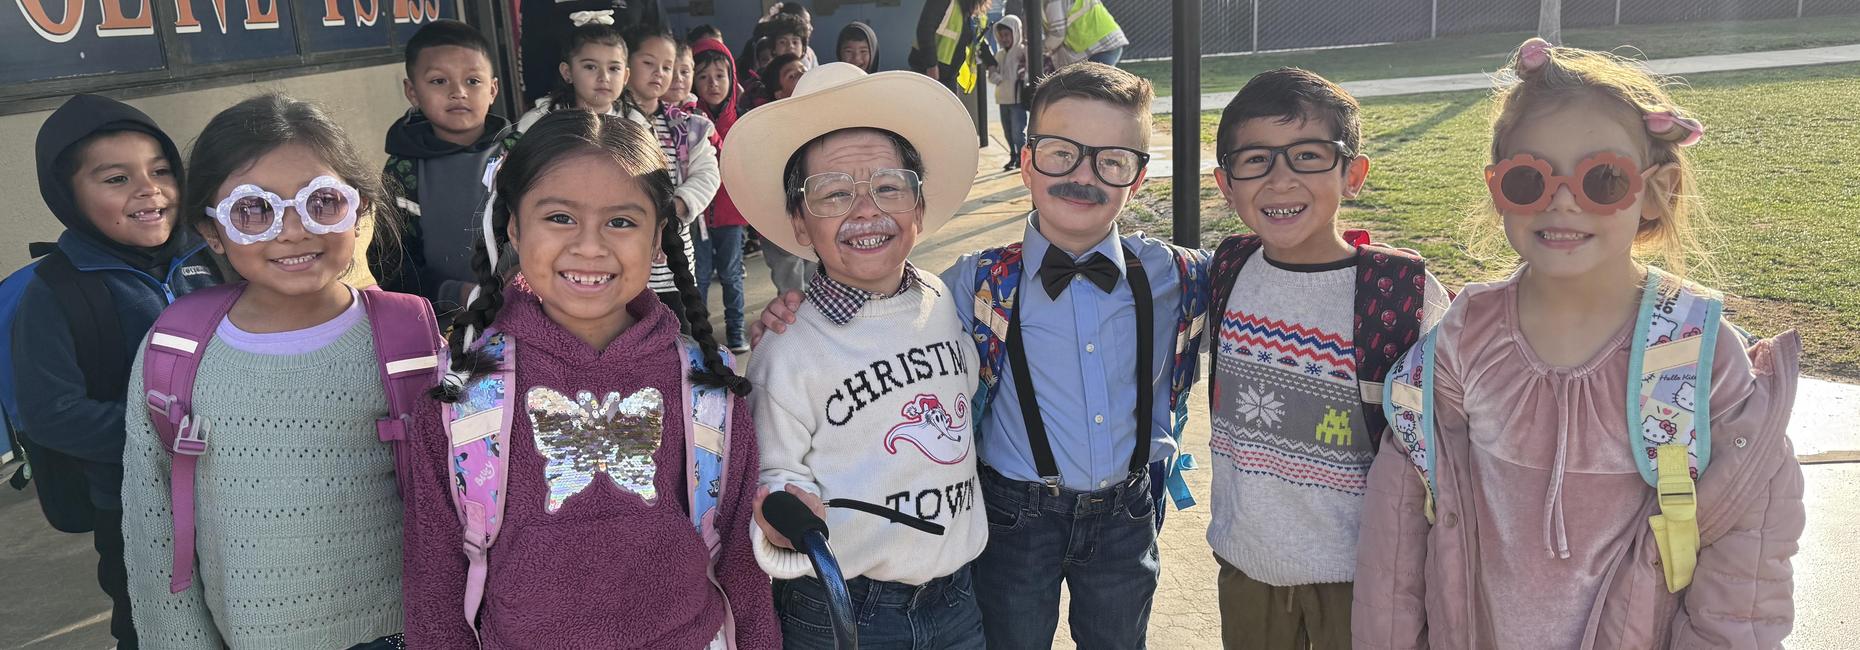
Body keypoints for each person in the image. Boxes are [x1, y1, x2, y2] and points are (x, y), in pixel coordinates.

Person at [1353, 38, 1805, 648]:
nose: (1562, 200)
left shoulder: (1695, 352)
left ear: (1658, 190)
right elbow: (1399, 526)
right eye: (1528, 180)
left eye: (1603, 179)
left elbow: (1745, 566)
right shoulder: (1464, 337)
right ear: (1496, 189)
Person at [754, 62, 1216, 650]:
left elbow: (1263, 282)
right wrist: (787, 316)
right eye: (1060, 153)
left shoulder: (1177, 276)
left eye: (1113, 161)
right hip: (1013, 518)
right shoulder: (970, 286)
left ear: (1140, 176)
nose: (1083, 174)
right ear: (1026, 162)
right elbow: (869, 312)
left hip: (1125, 513)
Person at [400, 109, 779, 648]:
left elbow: (741, 556)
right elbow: (434, 578)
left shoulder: (707, 383)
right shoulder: (464, 390)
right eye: (560, 217)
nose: (590, 246)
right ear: (513, 227)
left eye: (621, 222)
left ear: (658, 239)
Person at [122, 93, 418, 648]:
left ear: (359, 211)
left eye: (322, 201)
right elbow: (151, 520)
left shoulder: (410, 340)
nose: (292, 230)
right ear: (212, 231)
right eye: (253, 210)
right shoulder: (176, 350)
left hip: (403, 629)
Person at [723, 62, 987, 649]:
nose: (866, 210)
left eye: (889, 187)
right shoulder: (787, 348)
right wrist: (785, 519)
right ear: (799, 223)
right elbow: (775, 478)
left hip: (958, 596)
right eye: (834, 193)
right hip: (846, 606)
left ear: (919, 206)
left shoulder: (942, 299)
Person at [1202, 68, 1450, 650]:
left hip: (1364, 574)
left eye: (1308, 155)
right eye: (1255, 159)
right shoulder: (1229, 270)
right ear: (1226, 184)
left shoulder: (1402, 294)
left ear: (1353, 174)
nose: (1281, 179)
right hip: (1247, 562)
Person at [13, 94, 222, 650]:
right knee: (153, 627)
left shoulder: (215, 257)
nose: (149, 190)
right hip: (132, 506)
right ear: (68, 195)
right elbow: (52, 413)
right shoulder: (55, 293)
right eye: (116, 179)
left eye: (161, 171)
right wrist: (172, 438)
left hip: (235, 489)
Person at [377, 19, 510, 322]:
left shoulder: (520, 153)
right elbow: (390, 263)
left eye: (472, 81)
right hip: (443, 323)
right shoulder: (403, 170)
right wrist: (453, 293)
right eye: (439, 81)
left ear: (492, 90)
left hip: (528, 308)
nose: (458, 92)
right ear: (412, 91)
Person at [620, 26, 721, 333]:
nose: (660, 73)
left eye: (667, 67)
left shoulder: (687, 126)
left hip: (675, 260)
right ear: (627, 67)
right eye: (648, 63)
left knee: (679, 338)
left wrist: (675, 207)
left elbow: (708, 173)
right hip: (623, 263)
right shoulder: (609, 123)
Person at [692, 37, 751, 352]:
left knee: (731, 274)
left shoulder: (741, 122)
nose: (712, 83)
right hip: (697, 215)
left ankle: (736, 331)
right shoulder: (686, 120)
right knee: (699, 275)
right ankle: (700, 335)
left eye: (719, 75)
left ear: (732, 78)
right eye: (703, 76)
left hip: (731, 216)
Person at [519, 0, 661, 104]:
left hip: (629, 103)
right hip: (558, 105)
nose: (603, 77)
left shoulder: (640, 122)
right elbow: (533, 57)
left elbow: (659, 45)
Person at [514, 17, 628, 135]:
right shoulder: (538, 122)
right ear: (567, 72)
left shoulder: (636, 123)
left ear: (625, 76)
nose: (604, 77)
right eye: (590, 67)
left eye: (614, 68)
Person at [911, 0, 989, 95]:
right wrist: (931, 65)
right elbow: (925, 30)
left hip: (950, 77)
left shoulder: (974, 9)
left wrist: (992, 64)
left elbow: (977, 41)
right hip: (929, 73)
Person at [982, 15, 1029, 170]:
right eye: (1001, 35)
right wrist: (995, 77)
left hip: (1017, 100)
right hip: (1003, 99)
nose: (1004, 39)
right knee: (1008, 132)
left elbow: (1028, 72)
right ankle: (1013, 156)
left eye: (1007, 35)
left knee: (1018, 132)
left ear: (1016, 32)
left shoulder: (1022, 51)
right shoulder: (999, 54)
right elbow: (993, 74)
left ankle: (1023, 157)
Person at [1042, 0, 1128, 68]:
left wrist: (1039, 52)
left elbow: (1057, 35)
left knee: (1092, 84)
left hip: (1098, 47)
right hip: (1105, 41)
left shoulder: (1054, 2)